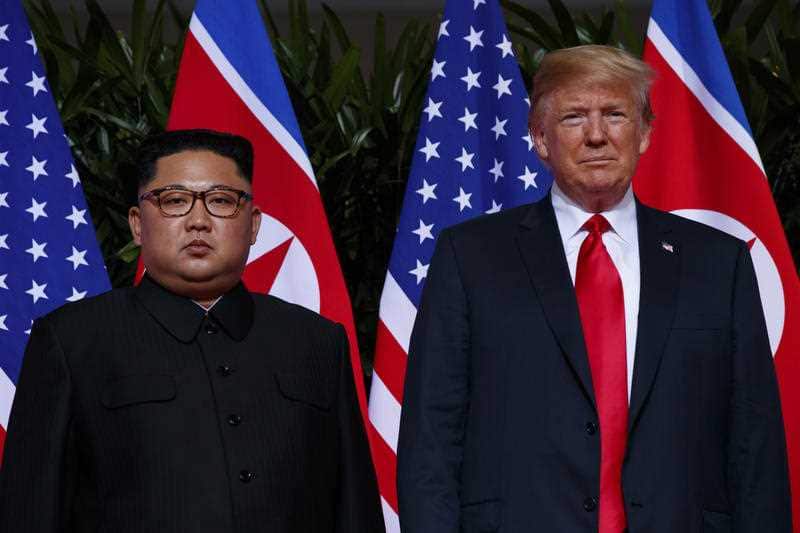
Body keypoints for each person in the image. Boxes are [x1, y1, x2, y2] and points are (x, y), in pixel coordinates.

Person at [397, 45, 791, 532]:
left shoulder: (719, 263)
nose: (597, 136)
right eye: (574, 117)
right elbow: (430, 442)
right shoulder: (470, 258)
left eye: (615, 114)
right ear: (539, 138)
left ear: (645, 132)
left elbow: (756, 447)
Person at [0, 129, 385, 533]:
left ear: (253, 225)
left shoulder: (317, 342)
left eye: (221, 201)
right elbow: (30, 513)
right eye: (174, 201)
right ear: (136, 224)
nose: (198, 221)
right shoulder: (71, 342)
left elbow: (355, 512)